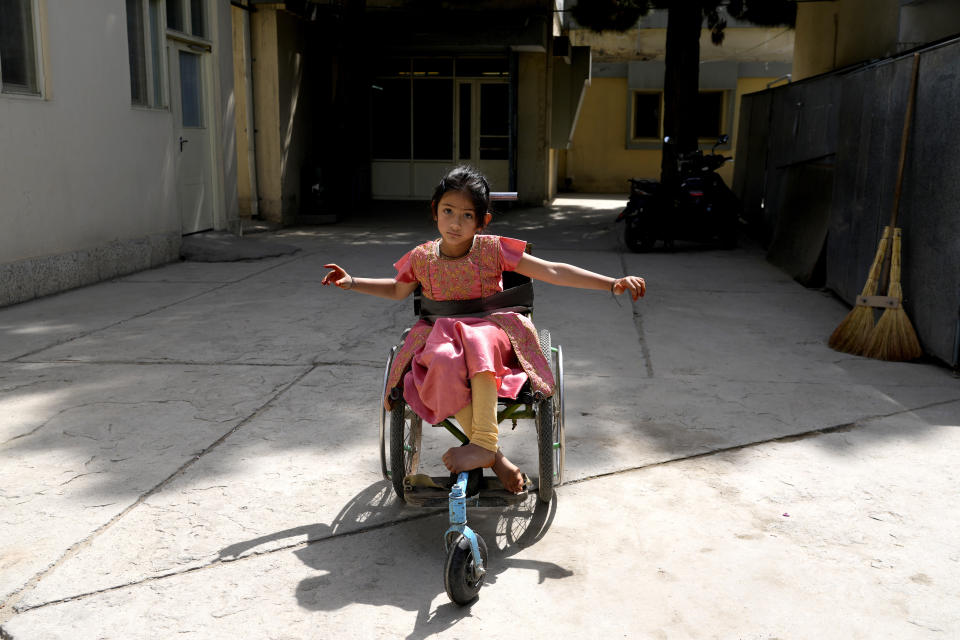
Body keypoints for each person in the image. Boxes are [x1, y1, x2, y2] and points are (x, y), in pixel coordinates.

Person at [323, 166, 646, 494]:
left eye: (467, 215)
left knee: (477, 340)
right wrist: (352, 282)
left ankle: (483, 443)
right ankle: (493, 456)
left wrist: (611, 283)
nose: (455, 222)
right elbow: (396, 289)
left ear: (482, 222)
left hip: (491, 329)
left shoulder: (492, 249)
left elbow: (552, 270)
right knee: (438, 360)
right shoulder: (422, 257)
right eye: (448, 211)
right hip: (443, 334)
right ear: (435, 210)